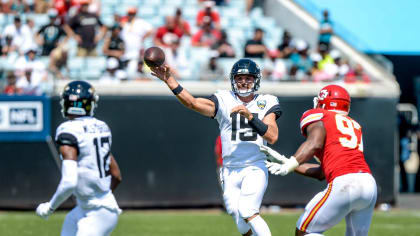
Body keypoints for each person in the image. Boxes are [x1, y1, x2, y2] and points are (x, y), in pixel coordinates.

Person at [151, 58, 282, 236]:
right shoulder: (224, 98)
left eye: (248, 78)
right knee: (241, 222)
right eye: (239, 78)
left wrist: (250, 117)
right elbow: (193, 103)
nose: (244, 82)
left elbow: (272, 136)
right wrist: (170, 80)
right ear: (233, 80)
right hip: (229, 170)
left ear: (256, 79)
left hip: (254, 166)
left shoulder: (267, 101)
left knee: (248, 211)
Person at [261, 84, 377, 236]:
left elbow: (314, 143)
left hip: (345, 182)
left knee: (303, 231)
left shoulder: (320, 115)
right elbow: (321, 173)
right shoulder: (354, 125)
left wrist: (291, 163)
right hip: (368, 183)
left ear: (324, 102)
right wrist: (285, 161)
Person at [36, 80, 122, 236]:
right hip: (91, 209)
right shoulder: (102, 127)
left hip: (97, 213)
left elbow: (69, 182)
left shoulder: (68, 130)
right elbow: (116, 175)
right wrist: (98, 198)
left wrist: (50, 207)